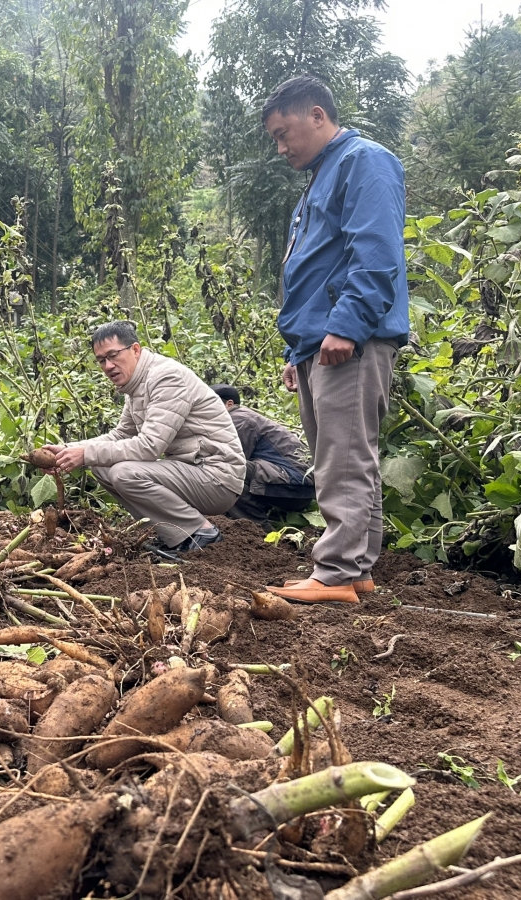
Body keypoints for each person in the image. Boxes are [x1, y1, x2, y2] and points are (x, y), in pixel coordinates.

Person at [260, 75, 409, 604]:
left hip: (348, 337)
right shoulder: (322, 176)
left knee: (341, 458)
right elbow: (311, 269)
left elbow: (376, 252)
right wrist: (295, 350)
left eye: (285, 133)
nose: (281, 147)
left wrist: (347, 324)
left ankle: (337, 573)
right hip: (316, 343)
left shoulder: (364, 161)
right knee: (343, 454)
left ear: (318, 115)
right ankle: (358, 569)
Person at [43, 321, 246, 552]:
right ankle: (173, 534)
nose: (108, 366)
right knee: (101, 466)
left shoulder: (166, 377)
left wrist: (85, 454)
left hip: (217, 477)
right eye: (101, 360)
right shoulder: (136, 385)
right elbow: (120, 435)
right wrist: (67, 450)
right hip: (191, 472)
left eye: (113, 355)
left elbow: (149, 447)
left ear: (136, 350)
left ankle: (200, 533)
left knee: (123, 473)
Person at [210, 385, 315, 528]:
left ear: (229, 404)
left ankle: (257, 530)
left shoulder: (238, 419)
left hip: (296, 484)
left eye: (211, 403)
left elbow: (228, 461)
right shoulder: (245, 416)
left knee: (226, 469)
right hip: (296, 484)